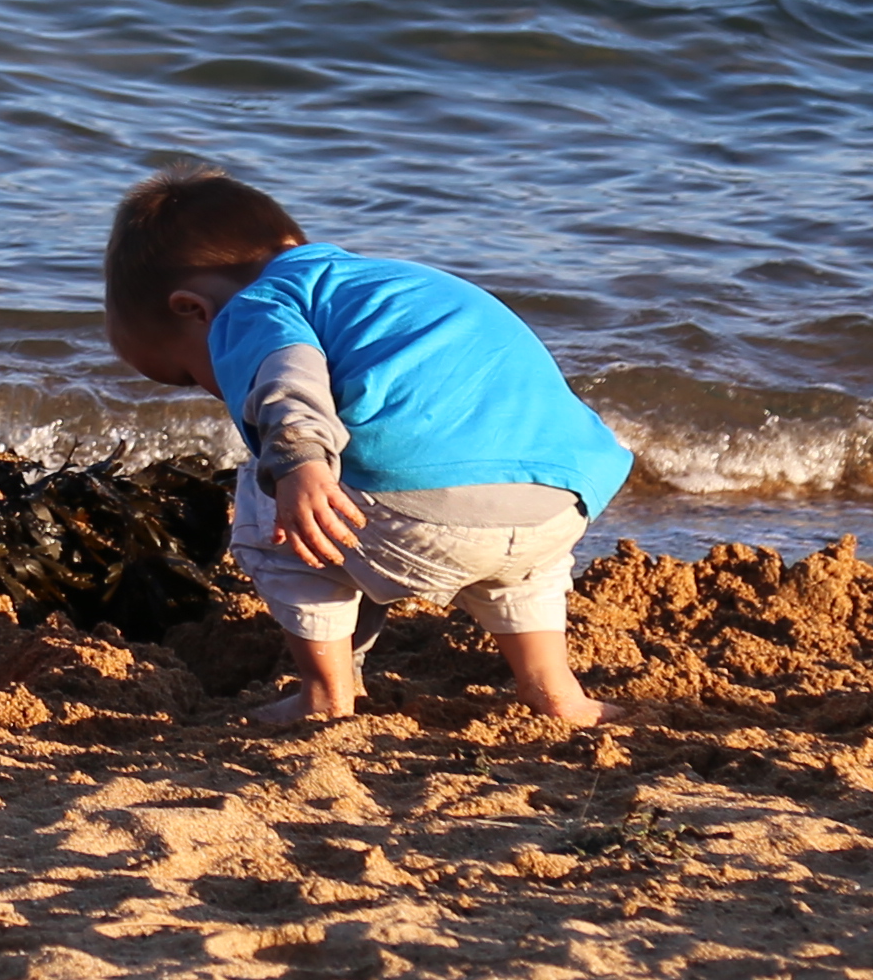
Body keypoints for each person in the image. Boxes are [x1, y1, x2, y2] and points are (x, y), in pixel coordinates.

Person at [100, 170, 627, 729]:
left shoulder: (254, 305)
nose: (211, 389)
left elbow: (287, 376)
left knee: (272, 503)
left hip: (434, 513)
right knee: (521, 569)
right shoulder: (394, 281)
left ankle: (326, 694)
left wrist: (299, 461)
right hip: (561, 501)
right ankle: (558, 694)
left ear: (193, 310)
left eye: (187, 374)